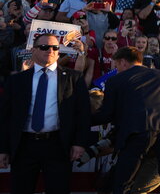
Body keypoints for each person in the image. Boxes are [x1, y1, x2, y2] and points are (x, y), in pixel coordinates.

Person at [0, 33, 93, 194]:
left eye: (55, 47)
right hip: (24, 146)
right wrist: (3, 149)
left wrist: (79, 143)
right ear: (34, 50)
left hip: (57, 145)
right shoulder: (17, 80)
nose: (50, 50)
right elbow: (5, 117)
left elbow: (82, 113)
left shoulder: (73, 78)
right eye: (44, 47)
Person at [93, 46, 160, 194]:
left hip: (137, 130)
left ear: (123, 62)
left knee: (122, 182)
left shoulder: (115, 81)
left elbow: (107, 114)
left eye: (117, 65)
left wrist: (81, 120)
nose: (117, 69)